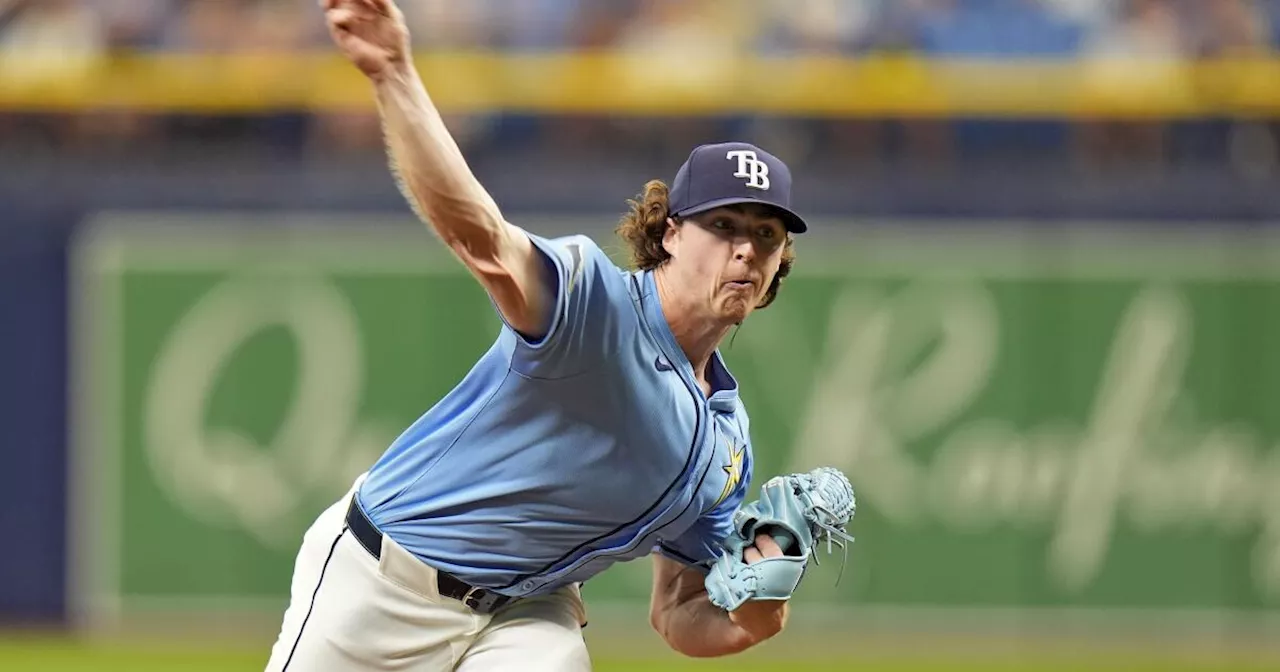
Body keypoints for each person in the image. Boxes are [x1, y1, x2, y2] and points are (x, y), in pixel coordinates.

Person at [264, 1, 811, 669]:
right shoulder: (596, 305)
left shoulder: (728, 443)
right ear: (670, 233)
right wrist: (395, 75)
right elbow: (482, 239)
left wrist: (760, 605)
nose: (746, 249)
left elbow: (680, 613)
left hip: (528, 614)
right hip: (385, 582)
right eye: (724, 225)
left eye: (765, 234)